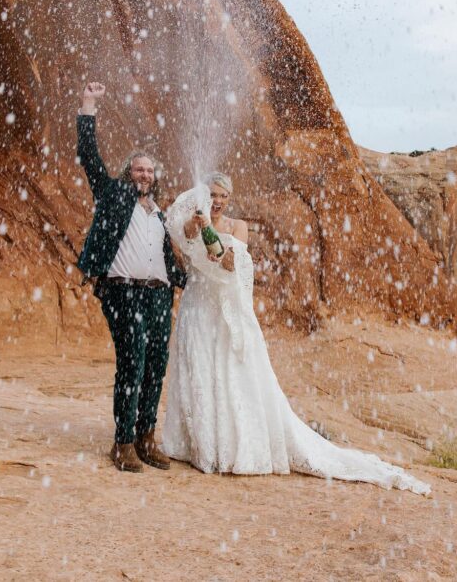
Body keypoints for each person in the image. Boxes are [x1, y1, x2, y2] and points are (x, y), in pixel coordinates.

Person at [162, 175, 431, 495]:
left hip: (224, 310)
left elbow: (233, 264)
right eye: (213, 195)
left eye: (223, 196)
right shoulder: (192, 223)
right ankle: (202, 446)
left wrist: (211, 230)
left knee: (230, 372)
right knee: (200, 370)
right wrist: (201, 225)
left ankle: (232, 448)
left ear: (230, 198)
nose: (217, 201)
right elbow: (189, 242)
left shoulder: (237, 226)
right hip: (198, 307)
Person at [74, 82, 186, 473]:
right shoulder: (112, 195)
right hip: (124, 295)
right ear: (129, 172)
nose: (144, 174)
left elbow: (174, 259)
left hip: (159, 297)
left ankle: (145, 438)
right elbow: (88, 156)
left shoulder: (160, 213)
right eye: (139, 168)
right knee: (132, 363)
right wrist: (89, 104)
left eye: (150, 170)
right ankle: (122, 443)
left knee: (156, 365)